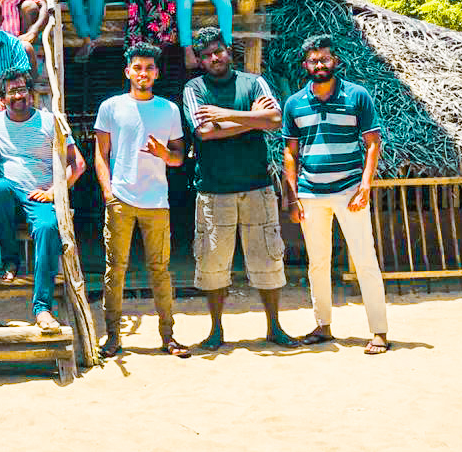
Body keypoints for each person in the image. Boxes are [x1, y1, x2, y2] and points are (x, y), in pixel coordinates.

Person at [181, 28, 296, 350]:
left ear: (228, 50)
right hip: (214, 189)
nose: (214, 58)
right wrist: (252, 118)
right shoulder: (195, 88)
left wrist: (226, 115)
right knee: (213, 264)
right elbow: (204, 132)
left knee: (268, 261)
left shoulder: (253, 82)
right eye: (206, 55)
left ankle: (275, 327)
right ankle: (216, 329)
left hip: (257, 185)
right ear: (200, 61)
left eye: (218, 51)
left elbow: (275, 119)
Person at [281, 35, 389, 355]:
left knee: (365, 260)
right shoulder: (295, 103)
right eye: (313, 61)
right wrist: (293, 195)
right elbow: (290, 152)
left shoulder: (357, 96)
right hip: (310, 193)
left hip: (349, 191)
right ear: (305, 65)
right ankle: (323, 325)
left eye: (325, 60)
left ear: (335, 61)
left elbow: (372, 143)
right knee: (318, 262)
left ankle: (379, 331)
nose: (319, 65)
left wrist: (365, 185)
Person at [94, 43, 189, 358]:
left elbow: (178, 157)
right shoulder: (111, 107)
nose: (143, 73)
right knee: (115, 269)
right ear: (127, 72)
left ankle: (168, 336)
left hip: (156, 201)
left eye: (149, 68)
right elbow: (100, 154)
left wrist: (165, 154)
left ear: (157, 73)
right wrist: (108, 192)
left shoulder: (169, 110)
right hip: (121, 197)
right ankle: (112, 337)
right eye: (137, 67)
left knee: (160, 270)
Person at [0, 68, 87, 331]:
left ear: (31, 93)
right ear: (3, 97)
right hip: (9, 194)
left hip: (41, 195)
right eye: (12, 91)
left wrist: (54, 190)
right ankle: (10, 258)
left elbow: (77, 165)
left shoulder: (50, 122)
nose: (18, 95)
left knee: (48, 228)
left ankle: (42, 307)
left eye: (22, 90)